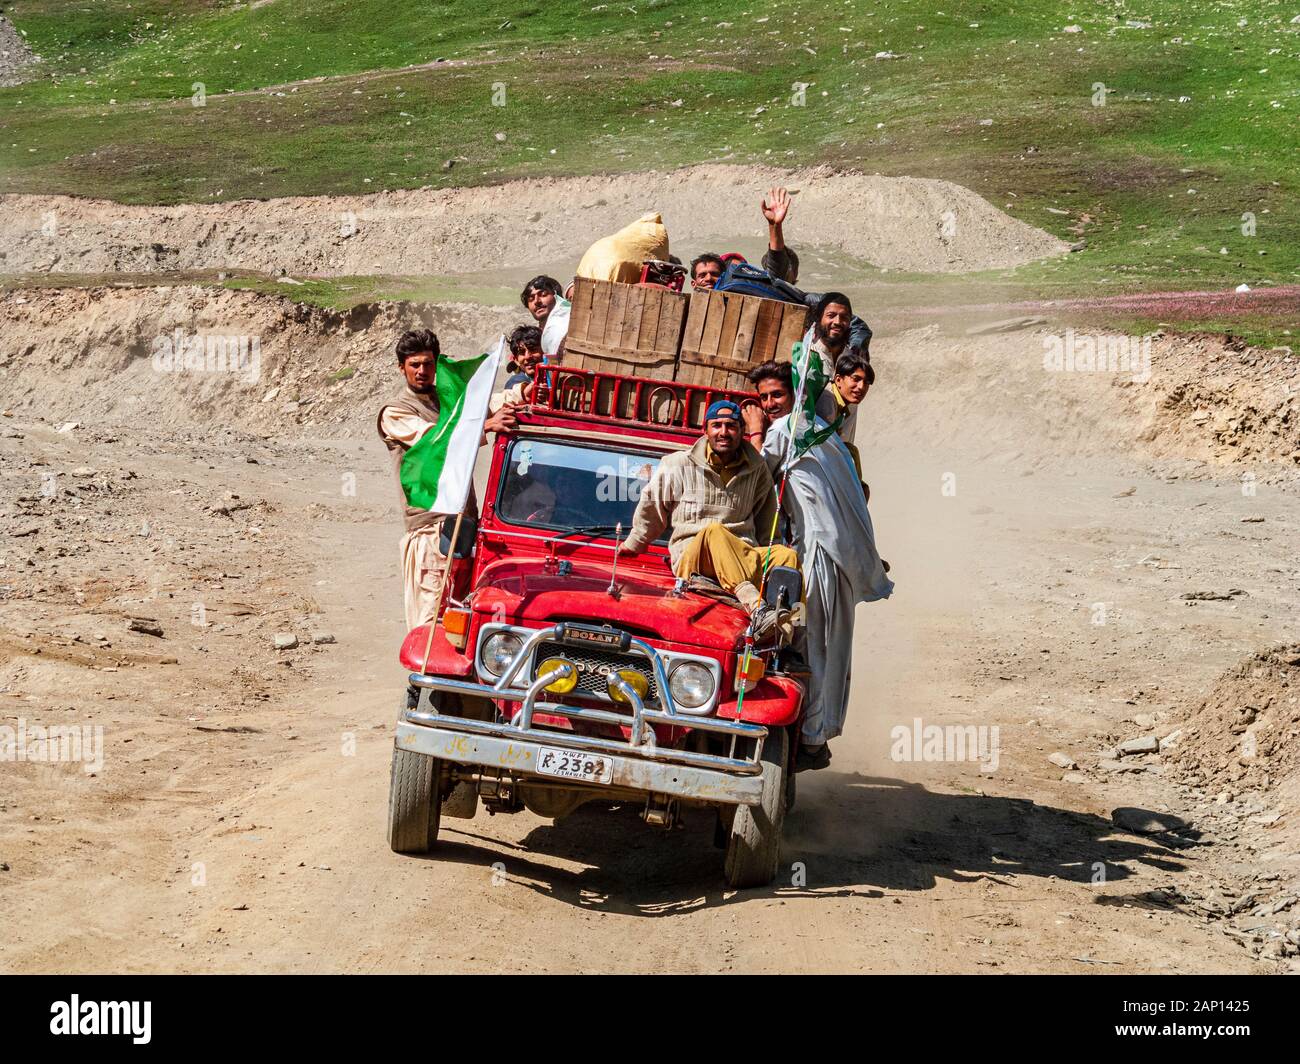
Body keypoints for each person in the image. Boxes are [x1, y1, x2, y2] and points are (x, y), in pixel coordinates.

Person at [751, 373, 893, 771]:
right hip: (833, 559)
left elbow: (756, 474)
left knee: (811, 645)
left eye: (777, 394)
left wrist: (754, 432)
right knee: (825, 646)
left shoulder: (787, 429)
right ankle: (815, 736)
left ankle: (810, 735)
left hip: (816, 559)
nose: (770, 403)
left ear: (795, 395)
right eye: (763, 398)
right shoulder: (824, 435)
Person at [619, 399, 797, 637]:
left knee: (787, 556)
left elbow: (766, 526)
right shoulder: (678, 464)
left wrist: (768, 562)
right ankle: (756, 608)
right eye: (717, 425)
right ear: (706, 430)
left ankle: (790, 636)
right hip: (693, 557)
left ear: (742, 431)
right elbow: (652, 506)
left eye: (731, 426)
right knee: (715, 531)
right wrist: (634, 544)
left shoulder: (758, 469)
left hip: (741, 554)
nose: (724, 432)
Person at [377, 328, 517, 631]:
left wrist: (524, 392)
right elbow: (436, 445)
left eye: (428, 364)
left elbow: (493, 400)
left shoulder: (448, 402)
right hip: (430, 529)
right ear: (402, 368)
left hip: (464, 528)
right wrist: (488, 425)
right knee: (430, 619)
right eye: (414, 365)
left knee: (462, 617)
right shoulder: (395, 412)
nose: (422, 371)